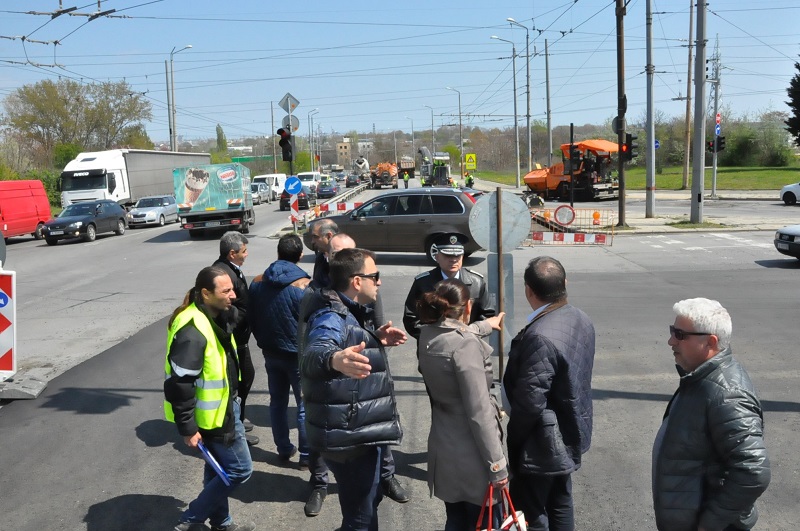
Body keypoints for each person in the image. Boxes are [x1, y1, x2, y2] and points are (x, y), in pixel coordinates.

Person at [299, 232, 407, 519]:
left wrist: (375, 339)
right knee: (361, 517)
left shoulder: (349, 309)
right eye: (376, 276)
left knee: (365, 507)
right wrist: (334, 358)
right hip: (350, 438)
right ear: (357, 281)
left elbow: (350, 336)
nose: (380, 281)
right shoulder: (330, 315)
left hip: (357, 429)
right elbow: (314, 353)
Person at [652, 298, 771, 531]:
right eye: (671, 331)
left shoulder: (727, 394)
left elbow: (754, 471)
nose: (670, 341)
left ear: (710, 342)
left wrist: (710, 524)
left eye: (680, 334)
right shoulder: (699, 378)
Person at [502, 256, 596, 531]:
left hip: (542, 444)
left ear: (528, 290)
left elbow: (530, 402)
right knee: (561, 501)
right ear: (565, 284)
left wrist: (514, 441)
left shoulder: (539, 336)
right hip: (569, 429)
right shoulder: (580, 318)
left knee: (531, 513)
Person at [164, 266, 255, 531]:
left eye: (233, 289)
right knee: (239, 470)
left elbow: (239, 316)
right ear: (205, 293)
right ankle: (192, 517)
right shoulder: (193, 330)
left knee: (218, 471)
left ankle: (222, 523)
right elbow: (180, 383)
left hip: (225, 408)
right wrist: (188, 428)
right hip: (214, 417)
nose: (233, 295)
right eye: (226, 291)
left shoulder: (214, 315)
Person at [417, 279, 507, 531]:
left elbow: (455, 335)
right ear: (467, 308)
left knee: (455, 519)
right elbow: (479, 412)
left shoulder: (427, 334)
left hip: (444, 446)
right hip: (474, 455)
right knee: (485, 522)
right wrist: (497, 466)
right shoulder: (465, 345)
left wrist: (483, 326)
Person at [248, 233, 311, 468]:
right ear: (300, 256)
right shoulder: (304, 285)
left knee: (278, 402)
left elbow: (251, 316)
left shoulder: (257, 281)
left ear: (278, 252)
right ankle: (306, 456)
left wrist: (262, 340)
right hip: (298, 355)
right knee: (304, 405)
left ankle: (283, 449)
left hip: (270, 351)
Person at [403, 233, 495, 345]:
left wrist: (469, 333)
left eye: (458, 256)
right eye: (448, 256)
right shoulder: (423, 283)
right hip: (433, 346)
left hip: (467, 344)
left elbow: (487, 314)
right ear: (436, 257)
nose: (454, 260)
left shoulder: (477, 282)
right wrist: (432, 336)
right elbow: (411, 317)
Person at [212, 231, 258, 446]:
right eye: (244, 251)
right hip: (234, 340)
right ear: (232, 253)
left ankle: (239, 419)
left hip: (239, 339)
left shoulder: (230, 269)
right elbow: (227, 310)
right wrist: (244, 318)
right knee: (241, 381)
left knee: (243, 379)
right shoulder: (223, 274)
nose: (247, 255)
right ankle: (235, 427)